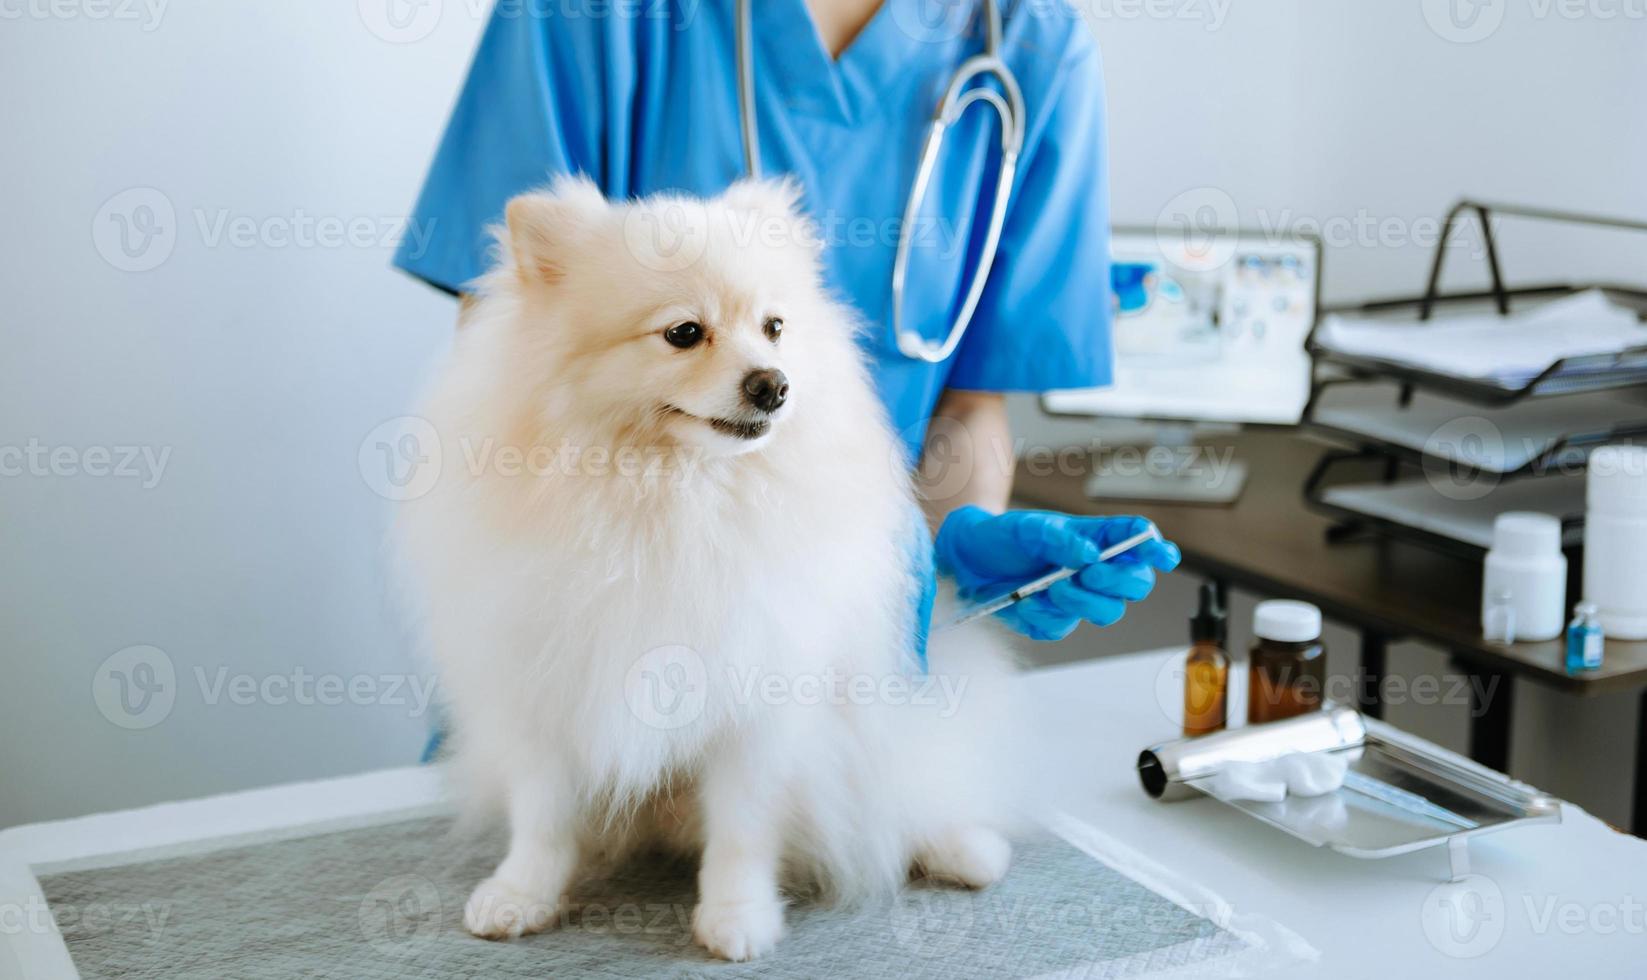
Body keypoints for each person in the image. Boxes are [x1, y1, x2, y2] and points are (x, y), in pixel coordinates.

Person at [394, 0, 1179, 645]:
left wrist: (950, 543)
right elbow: (515, 366)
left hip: (826, 629)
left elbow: (968, 406)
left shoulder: (1032, 45)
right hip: (583, 616)